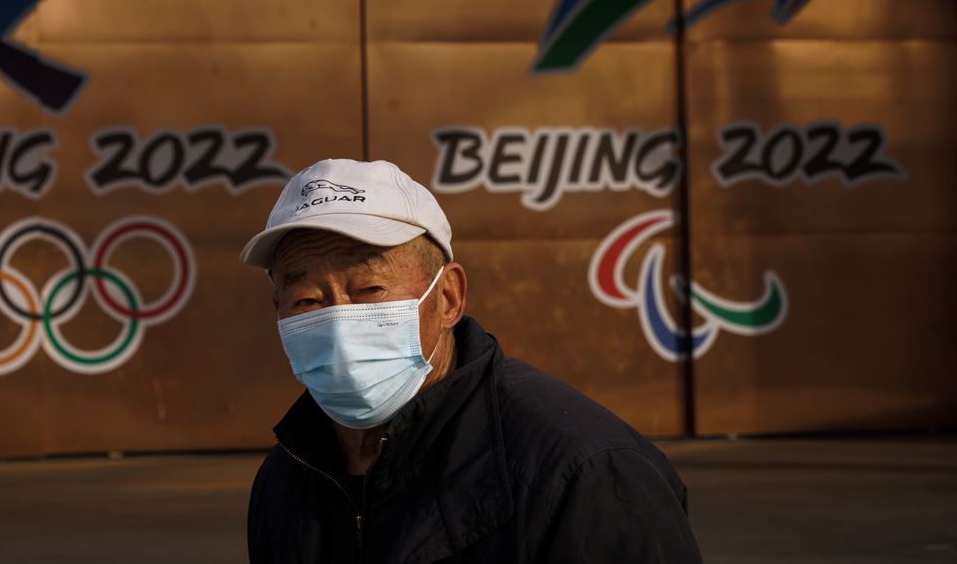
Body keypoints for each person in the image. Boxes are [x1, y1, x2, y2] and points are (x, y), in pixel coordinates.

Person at [240, 158, 703, 563]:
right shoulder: (285, 480)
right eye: (306, 299)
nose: (340, 322)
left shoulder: (584, 474)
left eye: (370, 290)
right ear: (278, 309)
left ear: (447, 298)